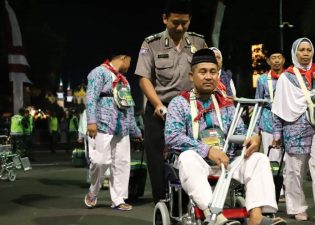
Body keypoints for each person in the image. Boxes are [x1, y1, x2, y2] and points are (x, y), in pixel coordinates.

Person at [165, 48, 287, 225]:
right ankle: (215, 217)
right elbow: (172, 137)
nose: (208, 77)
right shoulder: (179, 103)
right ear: (191, 76)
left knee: (259, 159)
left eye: (213, 72)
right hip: (199, 164)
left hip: (228, 162)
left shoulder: (226, 104)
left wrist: (252, 138)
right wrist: (208, 151)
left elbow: (240, 131)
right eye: (203, 72)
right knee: (187, 157)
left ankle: (256, 218)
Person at [134, 0, 207, 204]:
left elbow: (208, 70)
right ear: (165, 19)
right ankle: (161, 199)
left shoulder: (198, 42)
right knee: (156, 157)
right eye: (175, 22)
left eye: (185, 23)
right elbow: (143, 78)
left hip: (190, 109)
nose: (180, 27)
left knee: (193, 152)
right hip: (160, 107)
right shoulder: (151, 43)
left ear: (190, 20)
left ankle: (193, 199)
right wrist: (157, 104)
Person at [271, 37, 315, 224]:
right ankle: (297, 208)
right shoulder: (286, 77)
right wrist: (277, 133)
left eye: (308, 50)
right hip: (294, 131)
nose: (305, 54)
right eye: (301, 50)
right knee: (295, 171)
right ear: (295, 53)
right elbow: (278, 108)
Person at [84, 52, 142, 211]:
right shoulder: (99, 72)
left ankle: (118, 199)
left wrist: (135, 130)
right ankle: (93, 191)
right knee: (99, 161)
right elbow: (91, 97)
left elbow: (129, 107)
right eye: (129, 62)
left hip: (122, 128)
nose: (130, 67)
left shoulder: (125, 81)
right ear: (123, 58)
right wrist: (91, 121)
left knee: (122, 164)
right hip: (102, 124)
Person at [255, 47, 285, 160]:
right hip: (268, 122)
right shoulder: (262, 80)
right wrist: (256, 127)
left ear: (283, 60)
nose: (276, 60)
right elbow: (258, 102)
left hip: (288, 122)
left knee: (289, 158)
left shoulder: (290, 78)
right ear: (268, 61)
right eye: (273, 58)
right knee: (272, 157)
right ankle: (273, 178)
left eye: (279, 58)